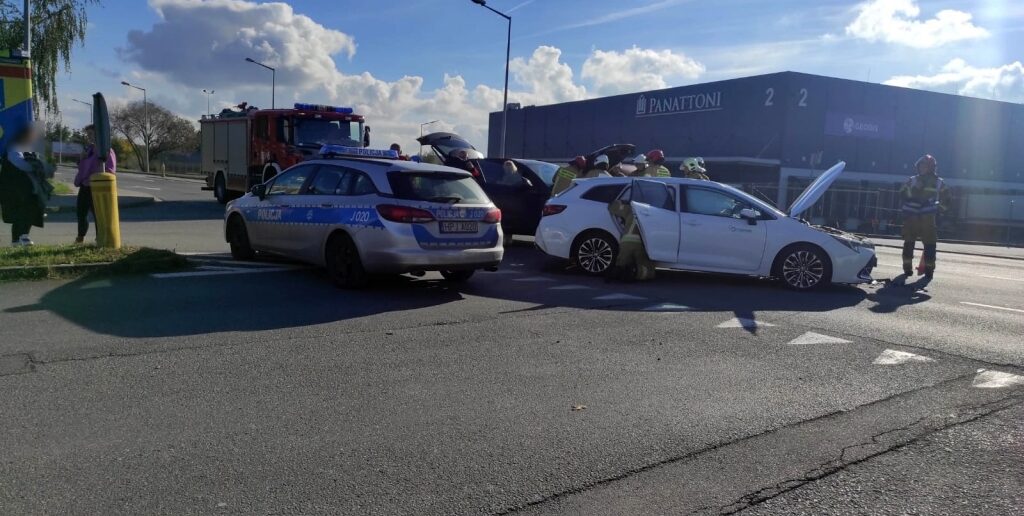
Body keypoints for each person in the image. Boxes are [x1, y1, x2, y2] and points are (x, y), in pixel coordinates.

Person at [0, 125, 52, 246]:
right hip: (16, 188)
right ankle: (20, 238)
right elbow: (21, 164)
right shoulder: (14, 147)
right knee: (21, 212)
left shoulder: (29, 148)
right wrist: (35, 166)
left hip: (28, 188)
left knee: (28, 211)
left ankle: (20, 238)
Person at [899, 154, 949, 279]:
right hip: (914, 217)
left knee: (929, 245)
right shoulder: (914, 180)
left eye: (924, 166)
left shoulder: (937, 182)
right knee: (910, 243)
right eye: (921, 165)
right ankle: (908, 269)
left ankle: (928, 270)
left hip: (925, 218)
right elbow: (902, 193)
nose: (922, 168)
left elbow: (946, 199)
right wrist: (915, 192)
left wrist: (940, 212)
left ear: (931, 167)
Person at [73, 124, 117, 244]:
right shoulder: (89, 149)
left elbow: (110, 170)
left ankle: (100, 238)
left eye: (91, 134)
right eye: (88, 134)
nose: (89, 137)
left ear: (99, 134)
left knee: (99, 214)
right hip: (85, 186)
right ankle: (80, 237)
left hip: (98, 187)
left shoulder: (107, 150)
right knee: (81, 213)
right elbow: (82, 167)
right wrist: (82, 159)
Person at [606, 191, 656, 282]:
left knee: (621, 263)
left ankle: (617, 273)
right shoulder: (654, 211)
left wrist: (623, 201)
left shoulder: (630, 209)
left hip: (626, 243)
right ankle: (634, 273)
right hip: (641, 245)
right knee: (646, 270)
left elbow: (612, 207)